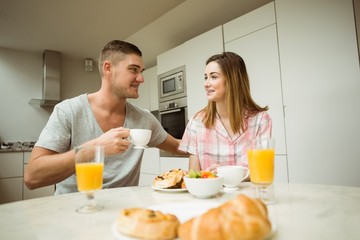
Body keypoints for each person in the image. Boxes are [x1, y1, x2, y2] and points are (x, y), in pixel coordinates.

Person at [24, 40, 184, 195]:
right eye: (134, 70)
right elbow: (32, 177)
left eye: (141, 71)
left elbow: (178, 147)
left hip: (123, 215)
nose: (141, 78)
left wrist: (207, 136)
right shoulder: (69, 111)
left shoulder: (145, 119)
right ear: (108, 68)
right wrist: (95, 148)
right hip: (74, 213)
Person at [179, 52, 272, 172]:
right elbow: (194, 175)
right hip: (211, 191)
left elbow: (262, 171)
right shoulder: (196, 122)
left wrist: (227, 173)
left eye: (213, 77)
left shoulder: (261, 120)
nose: (206, 84)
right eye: (205, 77)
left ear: (233, 80)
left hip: (248, 191)